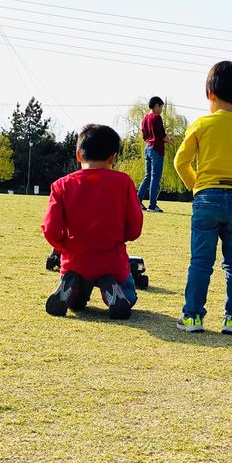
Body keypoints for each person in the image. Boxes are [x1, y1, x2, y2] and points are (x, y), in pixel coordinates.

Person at [173, 61, 232, 334]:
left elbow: (181, 162)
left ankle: (192, 316)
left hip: (206, 197)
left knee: (201, 261)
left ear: (209, 93)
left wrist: (198, 186)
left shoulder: (201, 125)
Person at [41, 124, 143, 320]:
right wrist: (124, 236)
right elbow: (135, 227)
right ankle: (111, 288)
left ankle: (73, 289)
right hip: (112, 261)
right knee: (129, 296)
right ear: (113, 157)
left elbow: (51, 228)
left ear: (79, 155)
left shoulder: (61, 185)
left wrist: (63, 246)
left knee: (77, 303)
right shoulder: (123, 182)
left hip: (76, 260)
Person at [137, 96, 172, 213]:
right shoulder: (156, 117)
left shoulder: (144, 119)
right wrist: (171, 141)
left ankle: (137, 200)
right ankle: (152, 205)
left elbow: (144, 136)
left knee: (148, 176)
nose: (161, 110)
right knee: (155, 177)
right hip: (157, 149)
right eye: (161, 107)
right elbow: (162, 135)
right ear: (156, 105)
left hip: (148, 148)